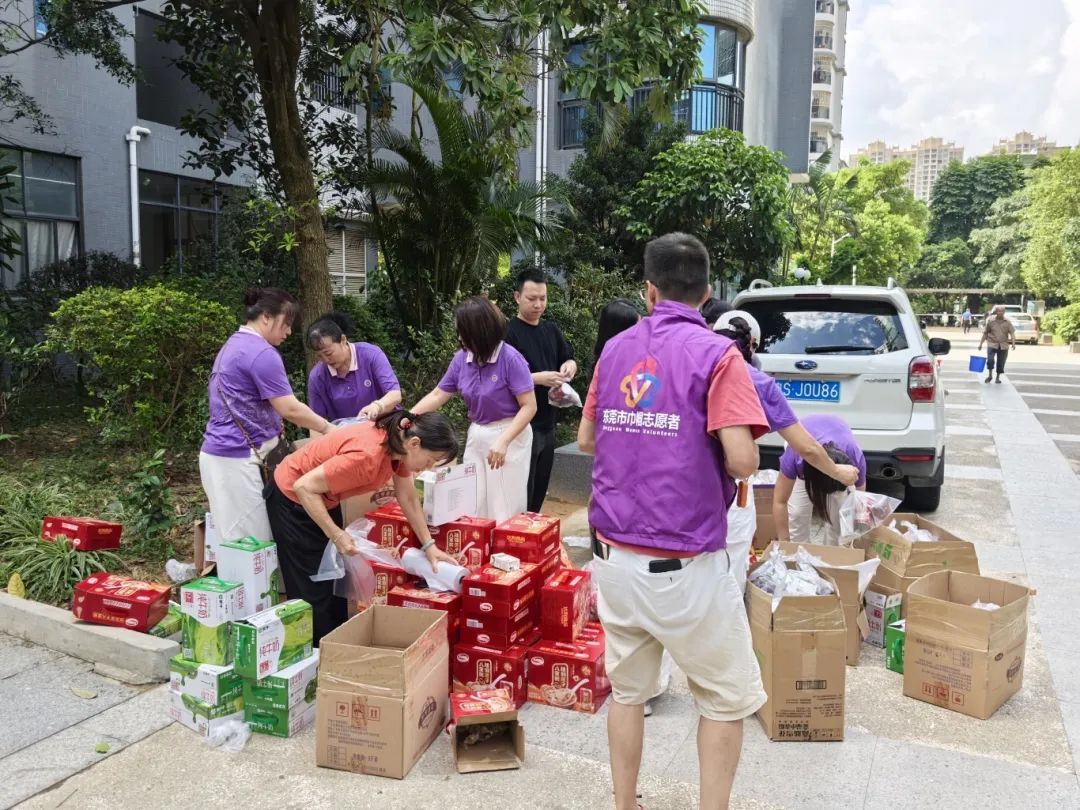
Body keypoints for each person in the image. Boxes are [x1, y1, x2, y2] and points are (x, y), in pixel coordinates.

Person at [578, 233, 768, 810]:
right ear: (706, 294)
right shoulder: (719, 356)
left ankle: (624, 804)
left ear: (649, 290)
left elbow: (587, 439)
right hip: (685, 568)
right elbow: (742, 460)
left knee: (628, 694)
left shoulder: (614, 351)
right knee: (725, 699)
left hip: (613, 560)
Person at [266, 410, 460, 643]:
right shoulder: (368, 456)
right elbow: (303, 487)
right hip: (293, 500)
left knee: (334, 580)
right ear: (415, 443)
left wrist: (429, 546)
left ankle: (337, 645)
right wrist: (336, 535)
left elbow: (407, 496)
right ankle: (317, 656)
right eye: (430, 460)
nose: (427, 468)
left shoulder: (397, 446)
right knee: (312, 589)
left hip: (323, 498)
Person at [714, 311, 860, 585]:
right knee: (730, 562)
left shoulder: (688, 363)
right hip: (723, 487)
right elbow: (799, 450)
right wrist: (838, 472)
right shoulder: (755, 380)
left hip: (678, 489)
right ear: (753, 345)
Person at [200, 288, 336, 545]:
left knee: (243, 542)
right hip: (236, 458)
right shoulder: (261, 353)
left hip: (227, 457)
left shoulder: (236, 343)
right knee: (252, 545)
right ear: (266, 317)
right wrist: (329, 429)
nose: (289, 331)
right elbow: (290, 409)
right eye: (286, 323)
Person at [412, 296, 537, 522]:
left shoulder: (510, 358)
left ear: (481, 332)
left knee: (503, 503)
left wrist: (504, 441)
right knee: (473, 498)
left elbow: (529, 406)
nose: (460, 338)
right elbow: (439, 394)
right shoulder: (462, 359)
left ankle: (504, 543)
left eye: (464, 332)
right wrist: (407, 418)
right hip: (478, 431)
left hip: (509, 432)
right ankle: (477, 541)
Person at [505, 269, 578, 513]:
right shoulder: (507, 333)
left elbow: (567, 357)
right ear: (517, 297)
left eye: (543, 298)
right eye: (531, 298)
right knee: (521, 490)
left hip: (548, 422)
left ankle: (532, 527)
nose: (538, 304)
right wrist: (536, 378)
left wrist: (569, 366)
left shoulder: (551, 330)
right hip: (521, 425)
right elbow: (500, 379)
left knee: (539, 488)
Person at [773, 414, 867, 546]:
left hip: (838, 450)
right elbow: (780, 501)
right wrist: (784, 542)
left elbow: (860, 499)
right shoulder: (795, 455)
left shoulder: (854, 457)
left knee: (838, 520)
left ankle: (832, 554)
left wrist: (857, 531)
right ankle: (800, 552)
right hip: (804, 451)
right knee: (797, 513)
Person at [306, 312, 402, 423]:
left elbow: (395, 394)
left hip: (386, 425)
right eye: (319, 356)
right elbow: (316, 421)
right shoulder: (317, 377)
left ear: (343, 340)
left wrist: (377, 406)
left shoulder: (371, 354)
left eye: (328, 353)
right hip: (347, 432)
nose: (326, 360)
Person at [979, 305, 1016, 384]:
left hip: (1003, 345)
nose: (1000, 313)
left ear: (1004, 312)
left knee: (1001, 362)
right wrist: (981, 344)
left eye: (1002, 311)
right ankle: (990, 375)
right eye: (999, 311)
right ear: (996, 312)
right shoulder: (991, 321)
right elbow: (985, 333)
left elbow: (1012, 333)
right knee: (990, 360)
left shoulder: (1008, 322)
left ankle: (997, 377)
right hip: (992, 344)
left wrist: (1013, 343)